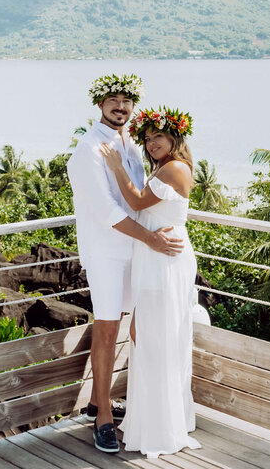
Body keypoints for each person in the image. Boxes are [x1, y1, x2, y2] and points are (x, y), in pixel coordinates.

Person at [66, 75, 185, 454]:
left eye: (126, 100)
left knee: (138, 327)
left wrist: (148, 241)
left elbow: (140, 195)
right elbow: (106, 211)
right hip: (108, 253)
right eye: (112, 100)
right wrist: (151, 238)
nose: (120, 106)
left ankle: (105, 400)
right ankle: (101, 418)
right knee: (106, 328)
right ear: (99, 104)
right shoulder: (88, 148)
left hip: (137, 252)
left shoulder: (129, 143)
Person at [100, 106, 203, 459]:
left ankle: (161, 425)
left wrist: (115, 167)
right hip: (154, 256)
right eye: (147, 137)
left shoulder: (175, 168)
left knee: (155, 335)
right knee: (144, 333)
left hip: (166, 260)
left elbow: (137, 200)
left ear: (174, 136)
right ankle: (155, 416)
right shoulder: (162, 167)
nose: (151, 141)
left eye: (158, 135)